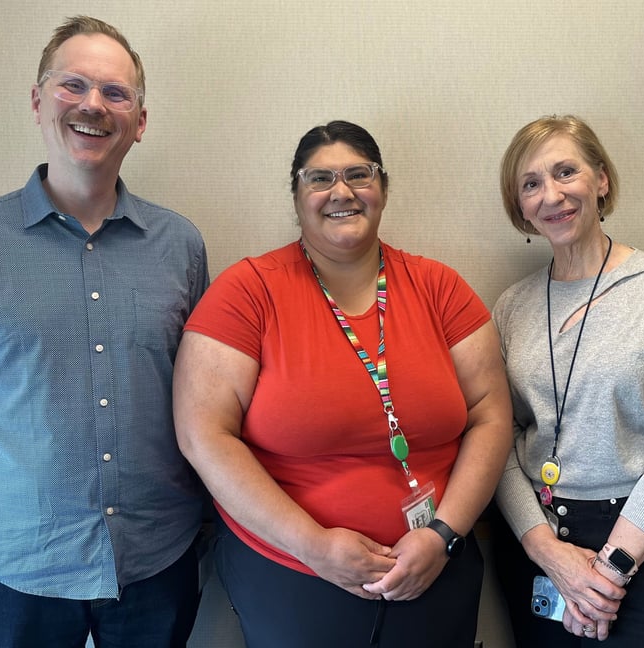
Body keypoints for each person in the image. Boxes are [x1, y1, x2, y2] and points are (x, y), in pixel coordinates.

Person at [0, 16, 209, 648]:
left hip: (154, 559)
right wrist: (9, 490)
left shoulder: (181, 246)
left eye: (116, 92)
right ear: (39, 102)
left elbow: (200, 397)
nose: (94, 104)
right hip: (12, 566)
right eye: (74, 85)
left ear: (140, 122)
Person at [172, 120, 512, 647]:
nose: (342, 191)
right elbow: (203, 435)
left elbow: (491, 413)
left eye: (359, 174)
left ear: (382, 188)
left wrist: (442, 535)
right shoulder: (247, 292)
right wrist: (312, 545)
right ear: (297, 195)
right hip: (292, 571)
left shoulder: (440, 288)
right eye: (320, 178)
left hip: (435, 566)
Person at [491, 114, 644, 646]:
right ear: (520, 206)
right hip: (541, 541)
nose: (551, 194)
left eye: (566, 171)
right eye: (531, 184)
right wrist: (549, 554)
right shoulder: (511, 307)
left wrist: (606, 574)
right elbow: (495, 444)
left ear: (601, 179)